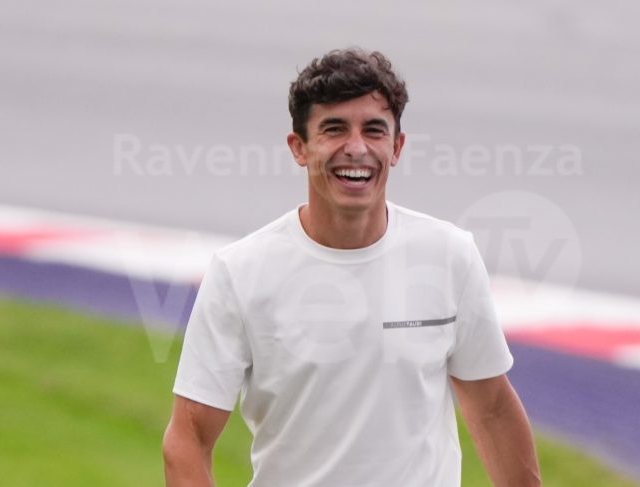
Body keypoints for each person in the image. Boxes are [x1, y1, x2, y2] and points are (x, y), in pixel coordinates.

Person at [163, 48, 541, 487]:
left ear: (396, 147)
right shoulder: (239, 273)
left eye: (374, 130)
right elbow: (188, 440)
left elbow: (492, 410)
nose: (357, 148)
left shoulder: (450, 256)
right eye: (334, 129)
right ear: (299, 148)